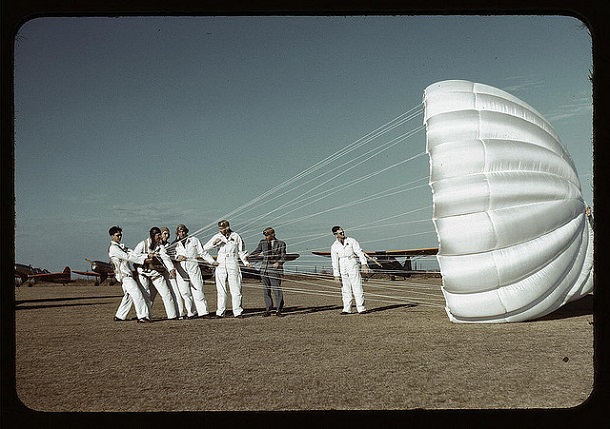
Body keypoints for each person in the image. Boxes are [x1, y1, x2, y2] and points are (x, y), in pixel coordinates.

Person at [203, 220, 252, 318]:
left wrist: (246, 263)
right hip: (221, 263)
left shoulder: (236, 236)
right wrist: (212, 258)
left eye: (224, 228)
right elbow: (204, 249)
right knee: (221, 289)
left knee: (236, 288)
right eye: (220, 229)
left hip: (233, 261)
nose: (222, 230)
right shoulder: (217, 237)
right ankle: (220, 312)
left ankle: (237, 311)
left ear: (228, 227)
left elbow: (241, 251)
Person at [108, 225, 152, 323]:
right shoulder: (114, 248)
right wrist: (144, 260)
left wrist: (147, 255)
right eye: (117, 235)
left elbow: (133, 253)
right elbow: (127, 257)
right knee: (137, 295)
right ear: (112, 236)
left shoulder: (120, 247)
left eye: (120, 235)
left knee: (129, 297)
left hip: (127, 276)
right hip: (125, 276)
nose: (119, 237)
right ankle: (142, 316)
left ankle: (119, 316)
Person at [134, 227, 178, 320]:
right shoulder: (142, 244)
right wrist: (146, 257)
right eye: (158, 235)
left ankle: (172, 316)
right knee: (145, 295)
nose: (159, 237)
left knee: (166, 293)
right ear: (153, 235)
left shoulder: (160, 246)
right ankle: (145, 316)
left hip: (155, 273)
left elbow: (165, 257)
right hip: (143, 273)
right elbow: (134, 256)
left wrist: (171, 269)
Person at [174, 224, 217, 319]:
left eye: (183, 231)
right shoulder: (174, 244)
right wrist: (178, 257)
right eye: (180, 232)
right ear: (177, 233)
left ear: (186, 231)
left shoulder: (194, 240)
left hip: (193, 268)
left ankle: (203, 312)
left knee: (198, 289)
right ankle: (191, 312)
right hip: (181, 270)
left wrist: (212, 261)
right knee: (185, 292)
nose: (182, 233)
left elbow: (203, 253)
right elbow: (170, 256)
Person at [330, 226, 369, 315]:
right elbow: (334, 261)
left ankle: (361, 308)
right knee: (345, 288)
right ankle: (347, 309)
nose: (342, 234)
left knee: (357, 286)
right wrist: (336, 274)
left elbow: (359, 252)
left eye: (343, 232)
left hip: (352, 263)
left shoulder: (351, 241)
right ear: (335, 234)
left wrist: (364, 264)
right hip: (342, 266)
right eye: (340, 233)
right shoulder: (334, 246)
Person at [249, 227, 286, 317]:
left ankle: (278, 309)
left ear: (273, 234)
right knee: (266, 290)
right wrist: (248, 257)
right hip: (264, 269)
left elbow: (283, 256)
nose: (266, 237)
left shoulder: (281, 243)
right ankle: (268, 309)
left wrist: (278, 263)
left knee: (276, 289)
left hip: (274, 269)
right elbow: (257, 251)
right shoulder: (263, 242)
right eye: (265, 235)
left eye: (268, 235)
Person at [160, 226, 192, 320]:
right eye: (165, 233)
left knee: (176, 293)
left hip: (170, 273)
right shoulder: (156, 246)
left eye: (168, 233)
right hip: (156, 274)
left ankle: (180, 314)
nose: (167, 235)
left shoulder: (171, 245)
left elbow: (173, 256)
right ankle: (144, 315)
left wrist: (178, 258)